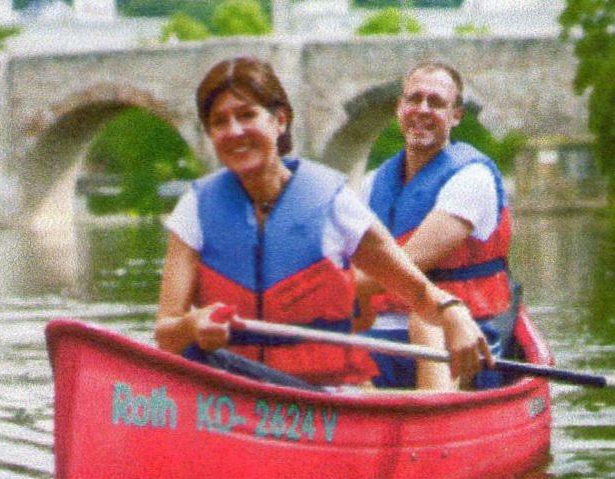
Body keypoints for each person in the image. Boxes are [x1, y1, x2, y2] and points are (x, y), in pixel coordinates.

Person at [155, 56, 492, 388]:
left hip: (321, 395)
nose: (234, 132)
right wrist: (191, 325)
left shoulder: (333, 203)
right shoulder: (194, 208)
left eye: (247, 115)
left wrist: (453, 312)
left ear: (280, 121)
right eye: (220, 122)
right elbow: (166, 334)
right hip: (233, 388)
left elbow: (416, 290)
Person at [360, 61, 515, 390]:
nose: (422, 110)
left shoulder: (472, 179)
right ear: (399, 108)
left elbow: (403, 265)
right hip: (381, 336)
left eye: (436, 102)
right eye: (414, 99)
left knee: (424, 322)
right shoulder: (373, 183)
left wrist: (308, 291)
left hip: (461, 336)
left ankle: (429, 413)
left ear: (456, 115)